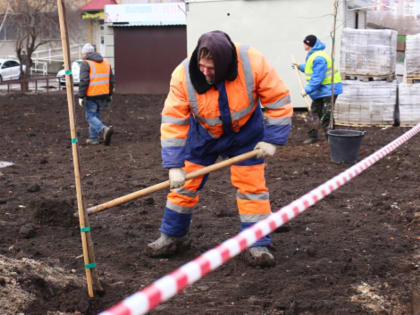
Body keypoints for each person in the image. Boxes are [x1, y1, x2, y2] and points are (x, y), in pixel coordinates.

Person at [147, 30, 293, 267]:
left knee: (252, 188)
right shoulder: (183, 75)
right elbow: (173, 120)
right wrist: (174, 165)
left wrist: (273, 139)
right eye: (202, 66)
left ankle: (256, 242)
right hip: (203, 135)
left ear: (225, 63)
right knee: (184, 186)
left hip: (245, 135)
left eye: (211, 68)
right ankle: (173, 236)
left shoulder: (253, 62)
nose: (205, 72)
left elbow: (278, 101)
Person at [293, 34, 342, 144]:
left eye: (304, 43)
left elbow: (317, 77)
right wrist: (299, 67)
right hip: (321, 90)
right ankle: (313, 136)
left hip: (330, 89)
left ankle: (331, 139)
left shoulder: (319, 57)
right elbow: (310, 68)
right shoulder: (313, 55)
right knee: (314, 113)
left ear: (309, 44)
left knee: (326, 114)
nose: (303, 44)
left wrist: (307, 90)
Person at [77, 43, 114, 145]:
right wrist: (110, 94)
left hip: (92, 94)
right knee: (95, 116)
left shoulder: (86, 64)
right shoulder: (106, 62)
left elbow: (84, 81)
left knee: (90, 116)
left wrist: (81, 96)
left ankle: (104, 130)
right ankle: (94, 139)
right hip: (103, 94)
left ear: (85, 54)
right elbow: (111, 80)